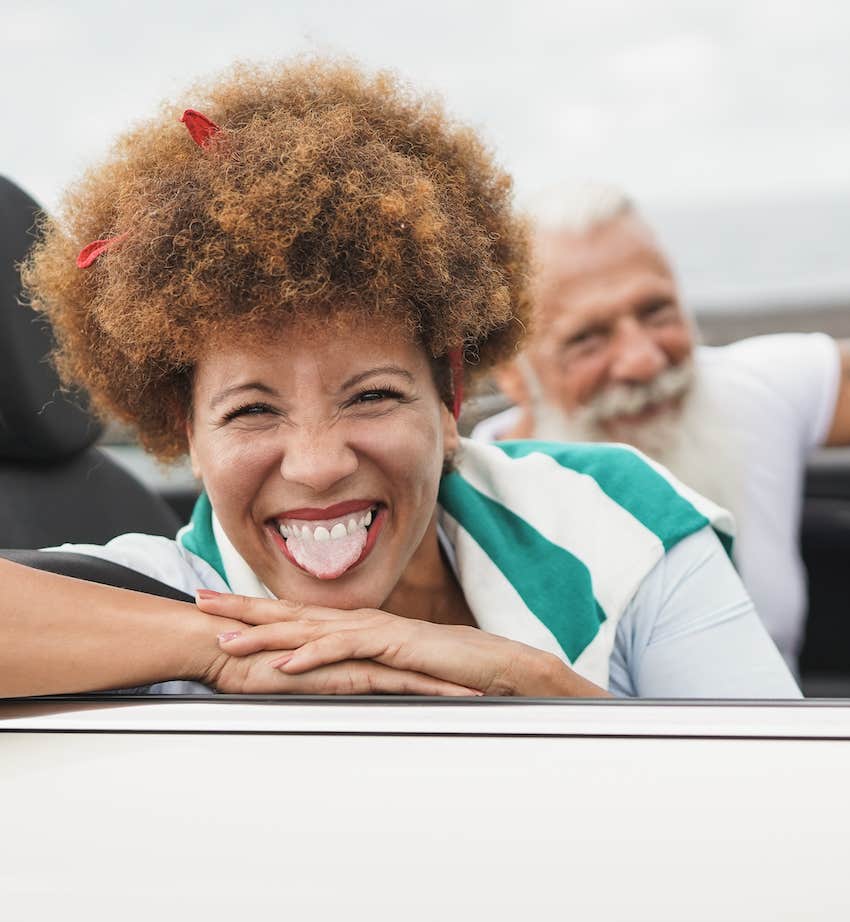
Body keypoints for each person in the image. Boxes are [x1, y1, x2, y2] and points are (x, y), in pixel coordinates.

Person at [0, 61, 798, 700]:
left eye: (372, 395)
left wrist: (534, 689)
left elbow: (782, 817)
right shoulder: (147, 606)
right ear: (188, 433)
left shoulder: (614, 518)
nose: (316, 464)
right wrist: (227, 649)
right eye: (251, 410)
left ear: (449, 402)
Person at [474, 182, 850, 672]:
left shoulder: (749, 391)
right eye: (587, 339)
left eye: (656, 311)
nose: (644, 360)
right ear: (511, 373)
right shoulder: (467, 514)